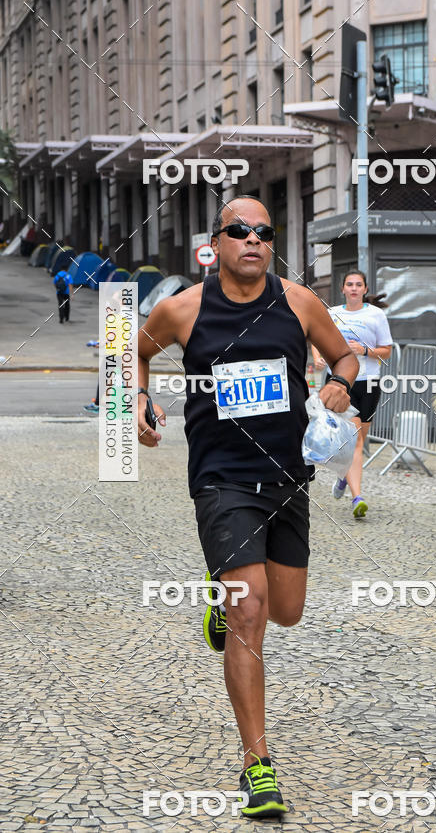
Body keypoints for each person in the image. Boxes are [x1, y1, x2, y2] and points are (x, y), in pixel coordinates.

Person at [136, 196, 358, 818]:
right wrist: (137, 400)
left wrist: (338, 383)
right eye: (241, 231)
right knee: (251, 612)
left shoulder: (298, 301)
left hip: (287, 477)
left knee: (286, 611)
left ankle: (219, 590)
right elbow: (135, 352)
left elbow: (344, 356)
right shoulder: (184, 309)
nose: (254, 240)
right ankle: (257, 765)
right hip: (222, 480)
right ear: (218, 243)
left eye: (265, 231)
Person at [312, 269, 392, 519]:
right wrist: (317, 357)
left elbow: (387, 351)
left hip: (368, 382)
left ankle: (343, 477)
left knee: (358, 441)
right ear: (343, 289)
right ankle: (358, 497)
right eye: (350, 284)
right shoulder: (333, 314)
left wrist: (365, 351)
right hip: (340, 381)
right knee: (353, 441)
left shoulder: (376, 315)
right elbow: (316, 339)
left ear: (365, 290)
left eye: (359, 284)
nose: (354, 288)